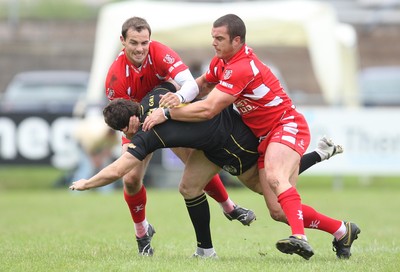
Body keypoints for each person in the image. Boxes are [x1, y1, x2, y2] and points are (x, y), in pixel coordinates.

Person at [142, 14, 360, 260]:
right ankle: (342, 230)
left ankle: (300, 238)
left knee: (278, 178)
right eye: (213, 37)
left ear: (237, 41)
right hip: (263, 137)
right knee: (278, 210)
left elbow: (209, 108)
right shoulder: (222, 62)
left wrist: (168, 113)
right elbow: (201, 85)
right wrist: (178, 95)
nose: (214, 42)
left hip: (286, 125)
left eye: (220, 38)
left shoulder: (241, 67)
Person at [70, 83, 343, 258]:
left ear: (128, 123)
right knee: (188, 187)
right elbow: (188, 85)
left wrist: (87, 183)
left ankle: (339, 226)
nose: (125, 135)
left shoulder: (148, 135)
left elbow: (118, 169)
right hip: (213, 147)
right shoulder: (156, 95)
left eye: (122, 130)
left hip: (235, 144)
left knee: (273, 198)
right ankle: (205, 250)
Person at [104, 16, 255, 256]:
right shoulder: (115, 77)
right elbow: (120, 118)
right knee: (130, 180)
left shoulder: (160, 52)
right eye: (134, 43)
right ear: (122, 41)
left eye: (144, 42)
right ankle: (142, 231)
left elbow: (190, 85)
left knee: (194, 164)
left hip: (169, 115)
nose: (140, 48)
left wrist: (178, 100)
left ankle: (229, 207)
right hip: (141, 125)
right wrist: (128, 129)